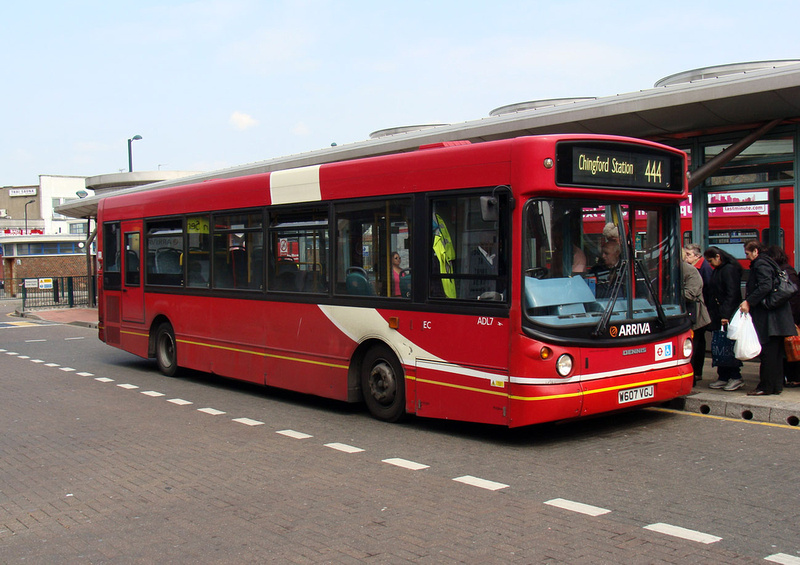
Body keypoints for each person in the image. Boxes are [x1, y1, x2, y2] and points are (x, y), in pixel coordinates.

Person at [740, 240, 796, 396]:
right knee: (776, 353)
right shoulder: (770, 262)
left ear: (756, 251)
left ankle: (765, 386)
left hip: (769, 318)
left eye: (748, 253)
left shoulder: (760, 264)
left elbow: (765, 285)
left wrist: (749, 301)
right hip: (777, 317)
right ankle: (776, 386)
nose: (747, 257)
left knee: (768, 353)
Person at [703, 246, 744, 390]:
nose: (710, 264)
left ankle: (735, 376)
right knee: (720, 346)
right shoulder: (720, 270)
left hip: (725, 314)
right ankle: (723, 375)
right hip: (718, 313)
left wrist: (725, 315)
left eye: (711, 260)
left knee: (727, 346)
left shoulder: (728, 270)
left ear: (718, 257)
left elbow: (732, 294)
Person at [765, 245, 800, 387]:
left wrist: (794, 319)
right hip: (789, 316)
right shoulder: (786, 271)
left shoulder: (786, 273)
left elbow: (794, 299)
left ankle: (794, 376)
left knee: (790, 349)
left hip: (790, 317)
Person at [684, 243, 713, 381]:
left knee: (697, 343)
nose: (686, 258)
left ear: (697, 256)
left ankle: (696, 372)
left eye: (689, 255)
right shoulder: (697, 268)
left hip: (698, 311)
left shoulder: (700, 269)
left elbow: (706, 290)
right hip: (699, 310)